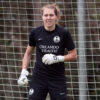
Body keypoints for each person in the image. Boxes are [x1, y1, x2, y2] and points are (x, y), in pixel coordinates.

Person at [18, 3, 77, 100]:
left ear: (56, 16)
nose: (48, 18)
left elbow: (74, 55)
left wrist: (57, 58)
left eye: (51, 15)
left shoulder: (64, 33)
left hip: (57, 79)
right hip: (39, 78)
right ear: (42, 17)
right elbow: (28, 53)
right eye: (46, 15)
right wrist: (23, 72)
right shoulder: (35, 33)